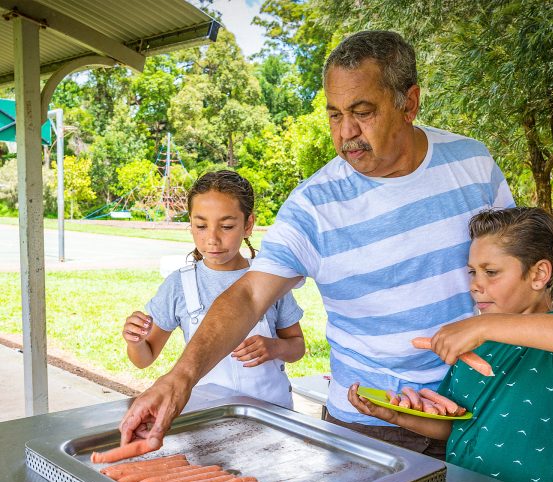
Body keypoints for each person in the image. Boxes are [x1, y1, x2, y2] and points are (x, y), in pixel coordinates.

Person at [119, 30, 514, 456]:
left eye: (362, 112)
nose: (347, 132)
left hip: (478, 404)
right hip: (372, 420)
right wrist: (180, 377)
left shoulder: (473, 162)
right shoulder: (314, 204)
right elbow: (251, 294)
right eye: (334, 115)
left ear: (409, 104)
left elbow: (518, 271)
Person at [349, 207, 553, 482]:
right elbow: (455, 425)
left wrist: (483, 324)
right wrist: (395, 415)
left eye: (490, 272)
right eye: (472, 272)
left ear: (538, 274)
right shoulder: (475, 343)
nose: (474, 285)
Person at [122, 170, 305, 415]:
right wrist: (135, 340)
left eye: (227, 226)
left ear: (248, 224)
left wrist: (275, 348)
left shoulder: (270, 279)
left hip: (273, 414)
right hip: (207, 415)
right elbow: (144, 358)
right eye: (200, 226)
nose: (212, 239)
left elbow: (297, 346)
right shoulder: (179, 285)